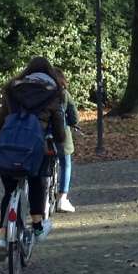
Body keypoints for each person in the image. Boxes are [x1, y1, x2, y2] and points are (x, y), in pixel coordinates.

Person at [0, 58, 67, 260]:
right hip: (34, 150)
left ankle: (2, 238)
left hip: (9, 149)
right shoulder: (53, 94)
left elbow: (0, 120)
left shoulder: (13, 91)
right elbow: (60, 132)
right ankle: (38, 226)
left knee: (9, 191)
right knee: (37, 182)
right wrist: (58, 138)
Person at [51, 67, 78, 213]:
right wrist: (71, 123)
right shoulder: (63, 94)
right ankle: (63, 198)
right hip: (61, 136)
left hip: (43, 135)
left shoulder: (41, 94)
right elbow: (74, 117)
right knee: (66, 164)